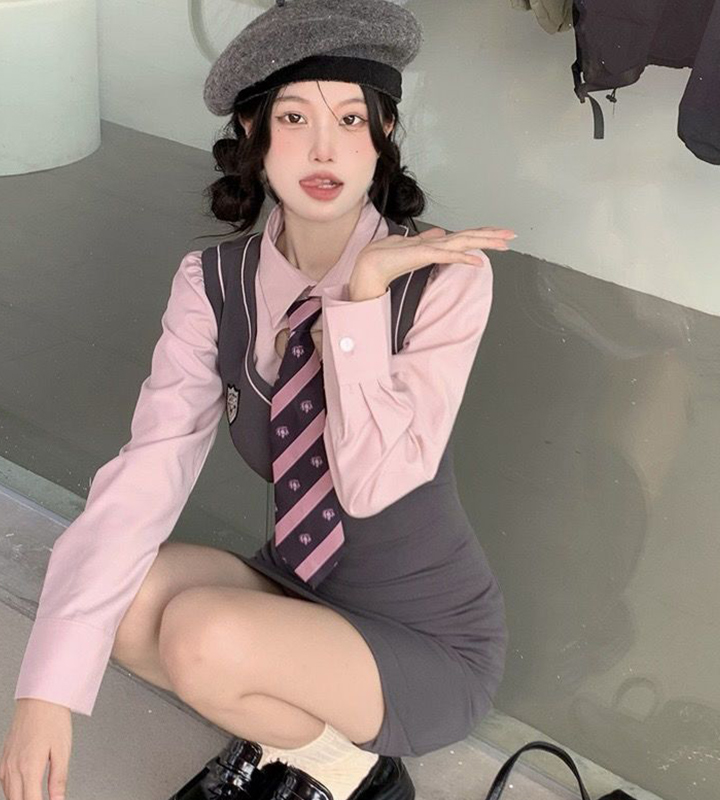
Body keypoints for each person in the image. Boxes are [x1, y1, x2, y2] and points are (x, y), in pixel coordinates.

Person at [1, 1, 516, 799]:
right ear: (253, 130)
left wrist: (358, 303)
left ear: (384, 132)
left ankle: (349, 773)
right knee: (123, 606)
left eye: (352, 119)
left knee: (201, 640)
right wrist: (46, 689)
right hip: (294, 587)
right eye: (294, 116)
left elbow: (373, 482)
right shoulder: (213, 284)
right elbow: (149, 468)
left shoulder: (445, 279)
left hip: (424, 635)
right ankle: (296, 742)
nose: (324, 148)